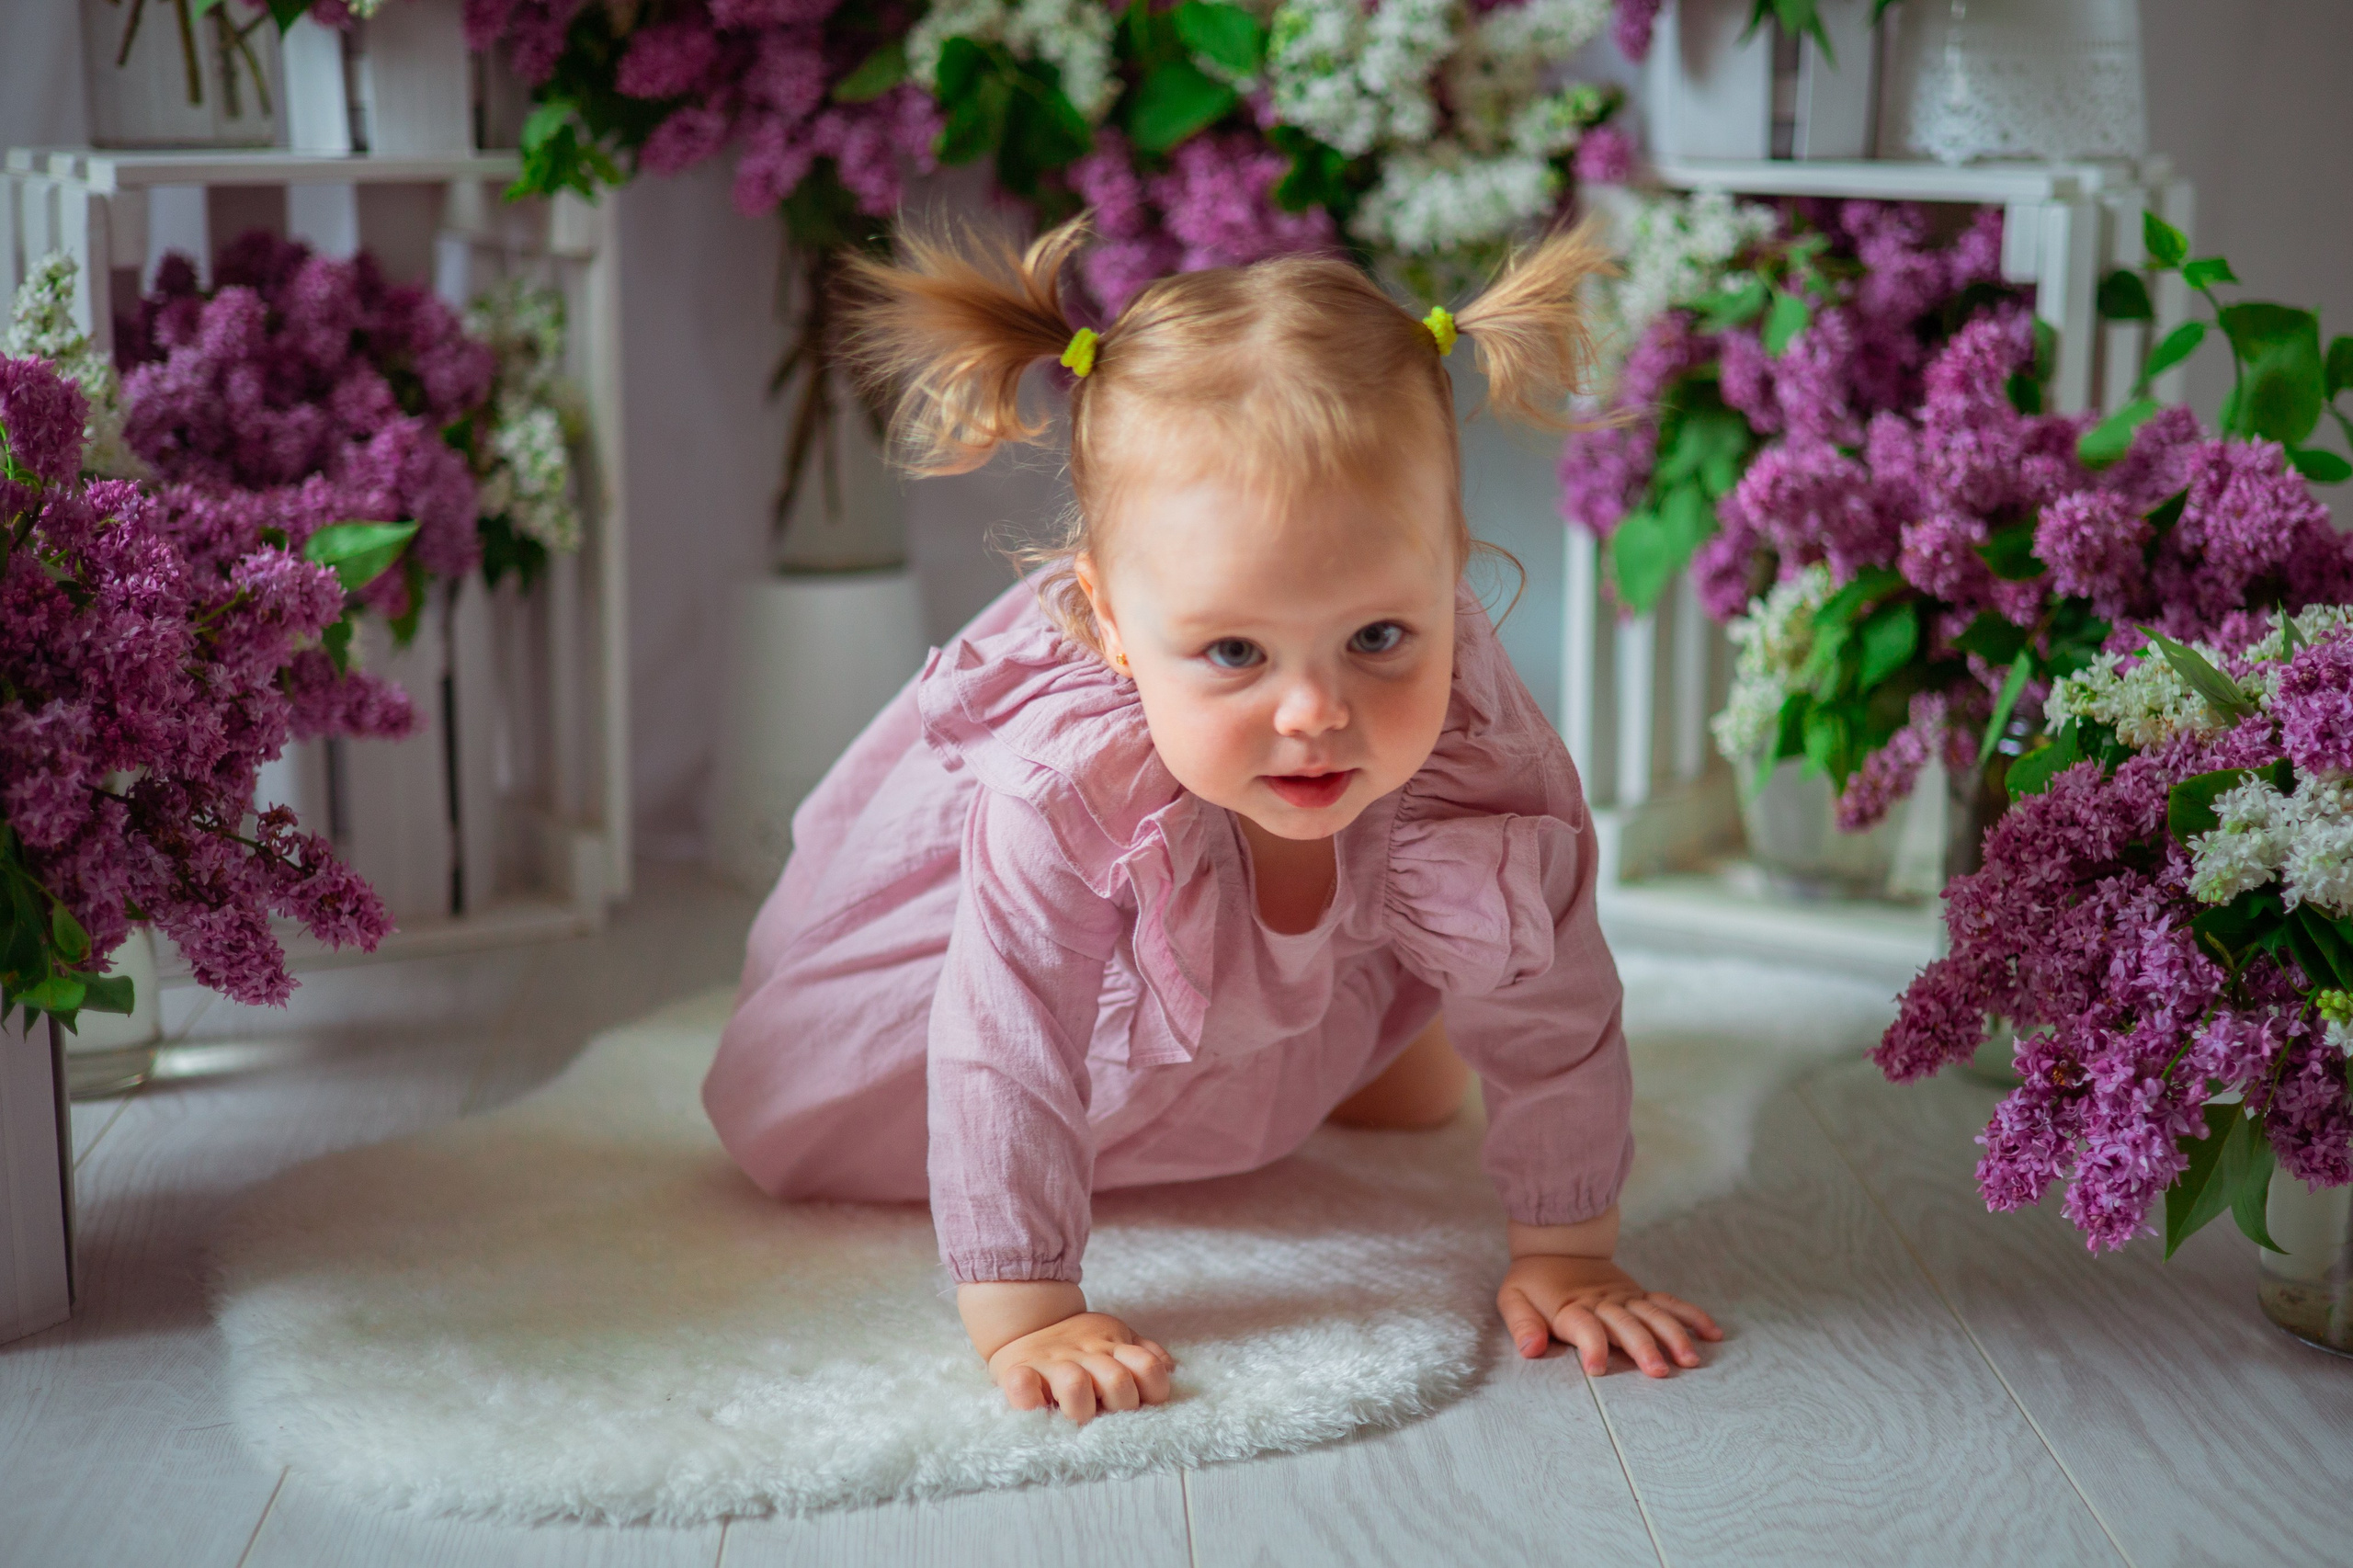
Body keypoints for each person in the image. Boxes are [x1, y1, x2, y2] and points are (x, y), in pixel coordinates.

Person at [703, 216, 1722, 1426]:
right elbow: (1007, 1039)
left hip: (1276, 942)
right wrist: (1029, 1303)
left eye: (1378, 635)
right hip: (1021, 1024)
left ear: (1449, 573)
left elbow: (1556, 1001)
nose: (1315, 710)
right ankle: (1276, 1056)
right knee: (851, 1111)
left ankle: (1337, 1041)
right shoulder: (1074, 785)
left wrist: (1569, 1250)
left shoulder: (1471, 740)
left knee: (1441, 1037)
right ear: (1110, 620)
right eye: (1235, 651)